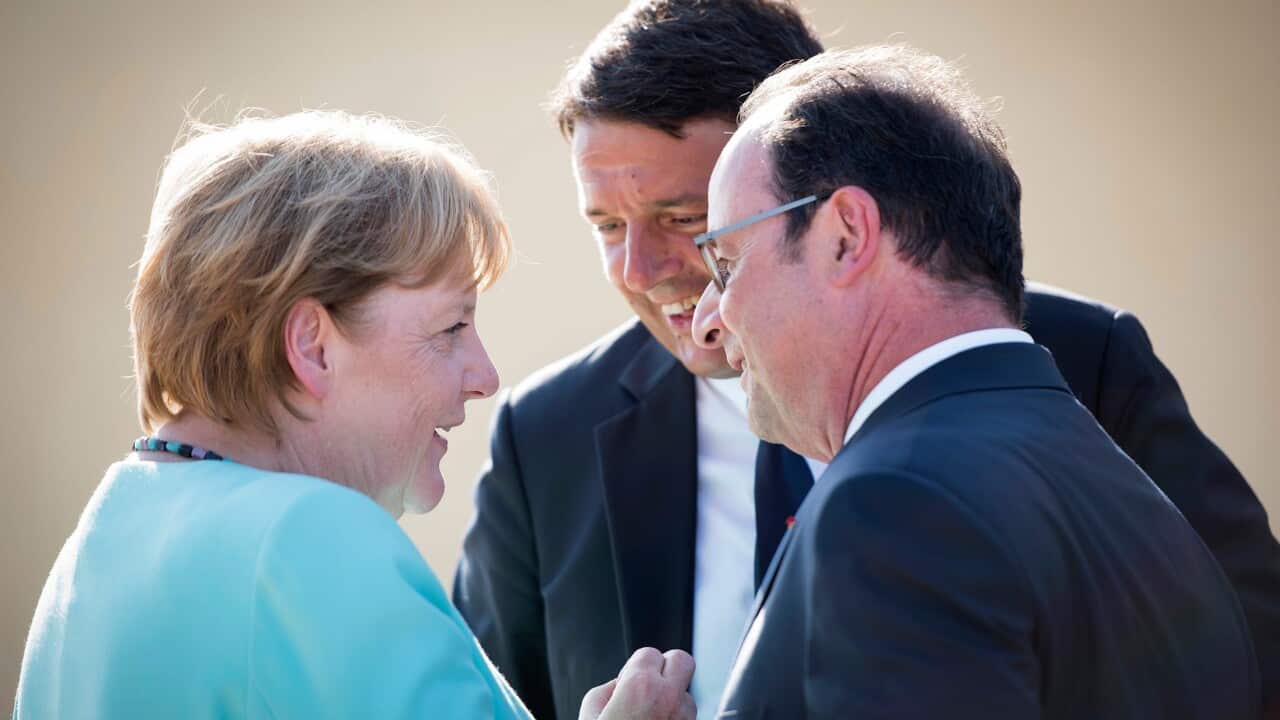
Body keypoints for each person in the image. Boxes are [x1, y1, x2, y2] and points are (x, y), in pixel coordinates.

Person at [453, 2, 1280, 718]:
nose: (641, 268)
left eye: (690, 220)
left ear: (839, 212)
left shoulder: (1073, 364)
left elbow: (1241, 657)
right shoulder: (545, 436)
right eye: (604, 225)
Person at [13, 110, 693, 720]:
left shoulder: (97, 548)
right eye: (452, 327)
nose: (485, 377)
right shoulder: (310, 535)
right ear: (312, 346)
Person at [685, 43, 1258, 718]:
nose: (708, 322)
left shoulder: (892, 505)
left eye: (725, 263)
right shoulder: (1139, 502)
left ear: (845, 234)